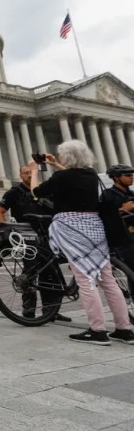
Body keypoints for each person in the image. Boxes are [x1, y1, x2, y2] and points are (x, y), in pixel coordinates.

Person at [30, 141, 134, 345]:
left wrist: (35, 171)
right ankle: (124, 329)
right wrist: (54, 165)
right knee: (108, 279)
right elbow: (70, 176)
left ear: (66, 158)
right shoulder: (90, 174)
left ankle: (97, 330)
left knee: (85, 279)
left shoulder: (62, 177)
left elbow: (37, 192)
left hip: (72, 227)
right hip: (94, 226)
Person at [0, 164, 69, 323]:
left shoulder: (44, 192)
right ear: (20, 176)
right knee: (29, 274)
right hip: (27, 237)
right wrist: (6, 231)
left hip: (49, 236)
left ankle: (51, 310)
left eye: (30, 173)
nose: (28, 175)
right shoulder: (14, 193)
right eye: (25, 173)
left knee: (51, 274)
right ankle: (29, 310)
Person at [100, 164, 134, 269]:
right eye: (128, 175)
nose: (132, 177)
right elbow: (103, 217)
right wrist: (122, 210)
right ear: (116, 177)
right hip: (124, 241)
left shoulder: (131, 194)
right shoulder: (107, 195)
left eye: (132, 174)